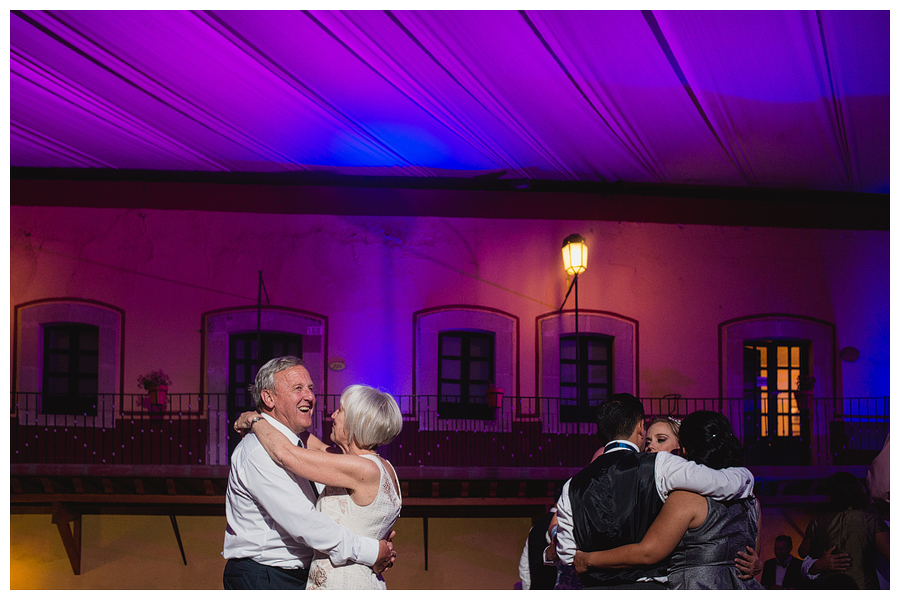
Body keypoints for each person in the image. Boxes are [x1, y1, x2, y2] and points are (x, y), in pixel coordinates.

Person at [222, 357, 395, 589]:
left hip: (305, 577)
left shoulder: (310, 454)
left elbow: (289, 452)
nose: (311, 397)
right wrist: (372, 550)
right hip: (266, 577)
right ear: (268, 398)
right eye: (298, 388)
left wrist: (255, 419)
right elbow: (304, 523)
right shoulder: (258, 451)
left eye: (310, 388)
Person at [555, 395, 759, 589]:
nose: (651, 446)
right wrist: (744, 475)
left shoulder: (571, 485)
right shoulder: (663, 467)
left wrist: (588, 560)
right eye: (650, 439)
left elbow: (567, 554)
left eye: (661, 439)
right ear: (640, 427)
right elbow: (720, 483)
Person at [798, 471, 889, 590]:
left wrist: (821, 561)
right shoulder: (871, 521)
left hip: (828, 588)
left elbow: (802, 552)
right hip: (863, 587)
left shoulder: (817, 523)